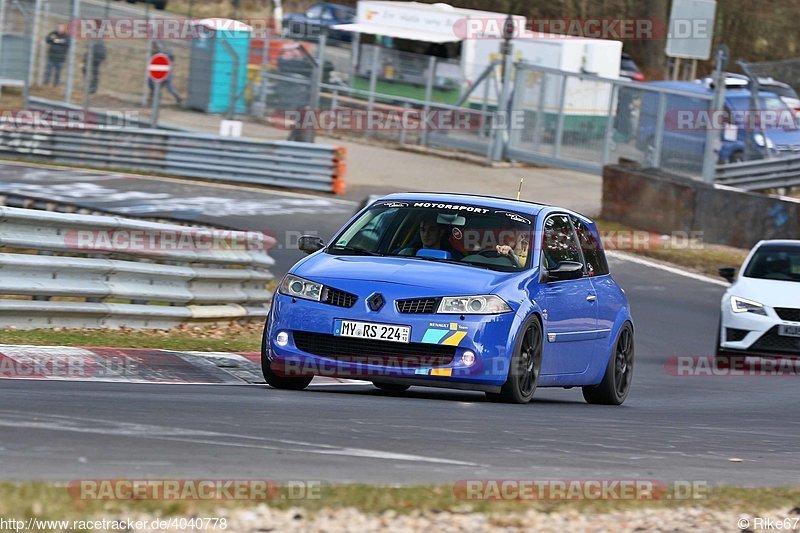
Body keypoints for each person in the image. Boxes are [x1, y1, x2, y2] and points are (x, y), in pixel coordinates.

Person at [82, 22, 106, 95]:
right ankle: (89, 86)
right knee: (86, 70)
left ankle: (93, 88)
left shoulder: (99, 39)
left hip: (96, 57)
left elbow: (97, 45)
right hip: (93, 56)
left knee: (94, 73)